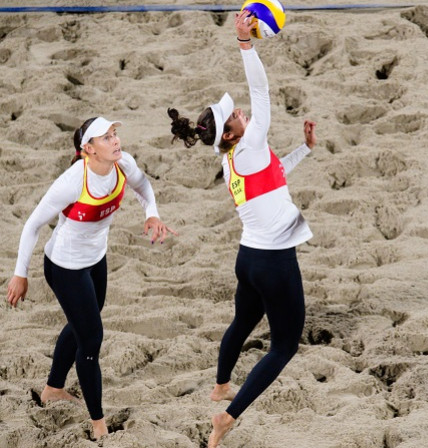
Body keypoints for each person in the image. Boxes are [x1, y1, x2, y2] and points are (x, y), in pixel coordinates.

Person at [166, 10, 316, 448]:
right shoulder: (246, 145)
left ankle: (219, 385)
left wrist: (304, 149)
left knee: (244, 319)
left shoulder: (237, 159)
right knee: (284, 346)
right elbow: (261, 89)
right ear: (231, 135)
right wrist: (245, 43)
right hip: (270, 260)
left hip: (248, 258)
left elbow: (275, 175)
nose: (242, 112)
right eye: (234, 116)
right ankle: (226, 417)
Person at [6, 117, 177, 440]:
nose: (115, 141)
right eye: (106, 138)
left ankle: (53, 388)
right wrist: (20, 274)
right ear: (88, 149)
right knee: (91, 340)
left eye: (115, 134)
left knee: (83, 323)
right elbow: (32, 225)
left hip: (96, 259)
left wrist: (151, 213)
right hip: (65, 266)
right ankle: (99, 425)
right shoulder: (72, 181)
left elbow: (144, 186)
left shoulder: (122, 164)